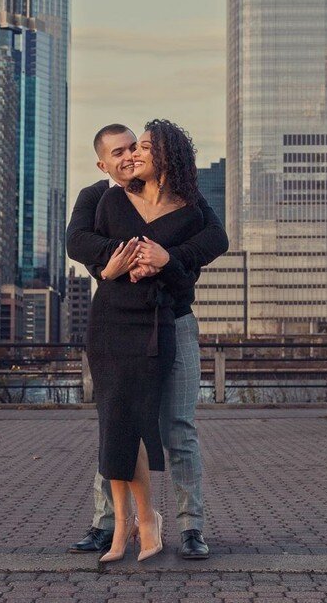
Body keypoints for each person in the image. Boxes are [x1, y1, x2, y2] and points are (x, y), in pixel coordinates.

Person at [67, 122, 227, 561]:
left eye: (133, 147)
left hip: (173, 320)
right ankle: (107, 524)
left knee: (179, 427)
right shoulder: (100, 196)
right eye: (118, 152)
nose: (128, 156)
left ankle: (191, 525)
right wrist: (116, 264)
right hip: (120, 323)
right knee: (117, 423)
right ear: (103, 163)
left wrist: (168, 260)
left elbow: (213, 241)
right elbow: (78, 242)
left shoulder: (188, 204)